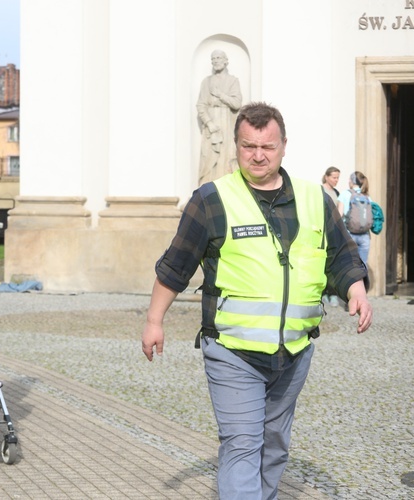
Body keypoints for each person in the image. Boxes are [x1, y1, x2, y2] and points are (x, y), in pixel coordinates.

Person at [141, 102, 372, 499]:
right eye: (249, 146)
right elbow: (176, 265)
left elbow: (341, 253)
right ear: (236, 146)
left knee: (274, 445)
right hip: (233, 350)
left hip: (295, 350)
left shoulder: (315, 198)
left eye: (267, 146)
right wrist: (154, 321)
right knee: (242, 443)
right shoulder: (212, 199)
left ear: (283, 145)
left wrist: (356, 288)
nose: (258, 155)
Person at [196, 49, 243, 185]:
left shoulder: (233, 81)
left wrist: (220, 95)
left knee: (226, 157)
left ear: (225, 61)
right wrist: (209, 123)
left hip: (227, 125)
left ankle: (226, 189)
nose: (215, 61)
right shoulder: (206, 82)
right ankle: (206, 190)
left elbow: (236, 103)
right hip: (210, 126)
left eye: (218, 58)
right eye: (213, 59)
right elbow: (201, 105)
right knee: (208, 159)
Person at [337, 171, 373, 267]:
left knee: (348, 265)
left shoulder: (345, 194)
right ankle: (363, 282)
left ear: (352, 181)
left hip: (349, 234)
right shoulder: (366, 196)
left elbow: (339, 215)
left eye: (349, 179)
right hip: (365, 235)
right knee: (363, 265)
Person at [321, 166, 342, 306]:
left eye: (337, 177)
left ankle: (332, 293)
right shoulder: (320, 190)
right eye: (334, 177)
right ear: (327, 176)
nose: (336, 180)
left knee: (333, 264)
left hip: (333, 231)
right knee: (322, 263)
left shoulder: (336, 192)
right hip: (322, 231)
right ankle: (323, 293)